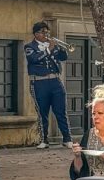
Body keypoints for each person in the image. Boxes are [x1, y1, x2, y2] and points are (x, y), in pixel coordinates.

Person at [25, 21, 73, 149]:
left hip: (55, 81)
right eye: (43, 32)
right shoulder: (29, 46)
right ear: (36, 34)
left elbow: (63, 57)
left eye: (47, 32)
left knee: (61, 111)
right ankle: (44, 140)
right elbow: (33, 59)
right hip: (39, 82)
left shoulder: (52, 45)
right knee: (42, 113)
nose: (46, 34)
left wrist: (61, 48)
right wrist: (48, 49)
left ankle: (67, 139)